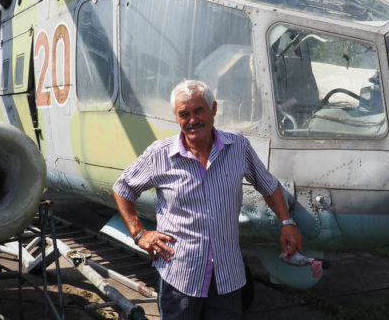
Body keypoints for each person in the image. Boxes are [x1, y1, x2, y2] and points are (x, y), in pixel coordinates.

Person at [113, 80, 302, 319]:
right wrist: (139, 233)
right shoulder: (160, 154)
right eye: (184, 114)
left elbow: (268, 185)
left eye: (198, 110)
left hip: (227, 276)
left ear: (213, 109)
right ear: (177, 118)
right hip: (179, 275)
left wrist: (287, 223)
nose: (192, 120)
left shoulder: (238, 147)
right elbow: (122, 188)